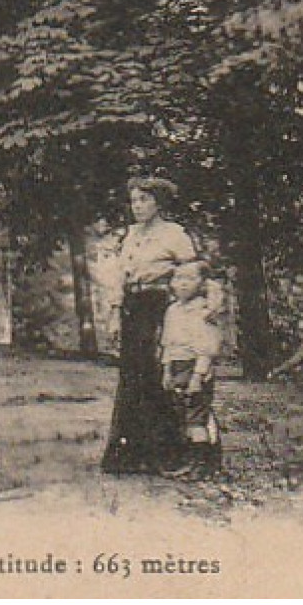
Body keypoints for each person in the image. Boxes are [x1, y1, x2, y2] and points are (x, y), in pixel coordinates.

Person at [100, 175, 198, 475]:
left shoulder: (174, 235)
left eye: (144, 200)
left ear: (158, 202)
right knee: (132, 375)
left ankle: (169, 453)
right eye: (134, 201)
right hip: (134, 308)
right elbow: (118, 277)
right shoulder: (129, 236)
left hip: (161, 308)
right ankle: (130, 455)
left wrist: (186, 311)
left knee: (157, 374)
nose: (138, 206)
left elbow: (192, 274)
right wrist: (115, 313)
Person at [160, 260, 224, 478]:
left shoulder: (204, 312)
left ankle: (203, 464)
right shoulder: (172, 310)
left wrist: (198, 375)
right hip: (176, 365)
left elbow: (206, 348)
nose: (183, 284)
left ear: (202, 283)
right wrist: (167, 370)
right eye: (178, 278)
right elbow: (167, 343)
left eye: (190, 279)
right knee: (183, 416)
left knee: (196, 416)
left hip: (195, 366)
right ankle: (189, 460)